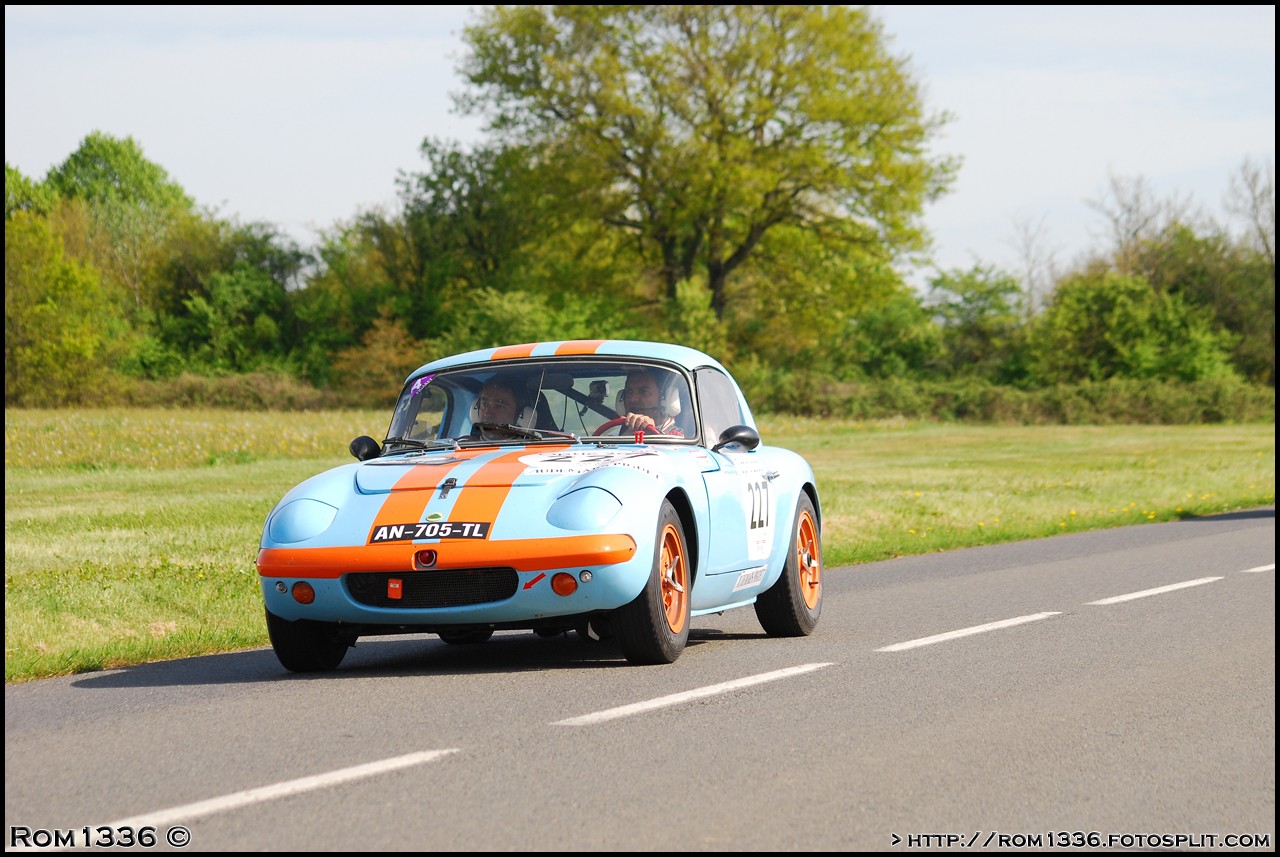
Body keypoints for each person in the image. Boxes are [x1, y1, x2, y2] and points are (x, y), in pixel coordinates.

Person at [616, 368, 683, 435]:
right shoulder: (614, 435)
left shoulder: (678, 438)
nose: (633, 399)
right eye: (629, 392)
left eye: (643, 392)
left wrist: (652, 434)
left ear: (665, 398)